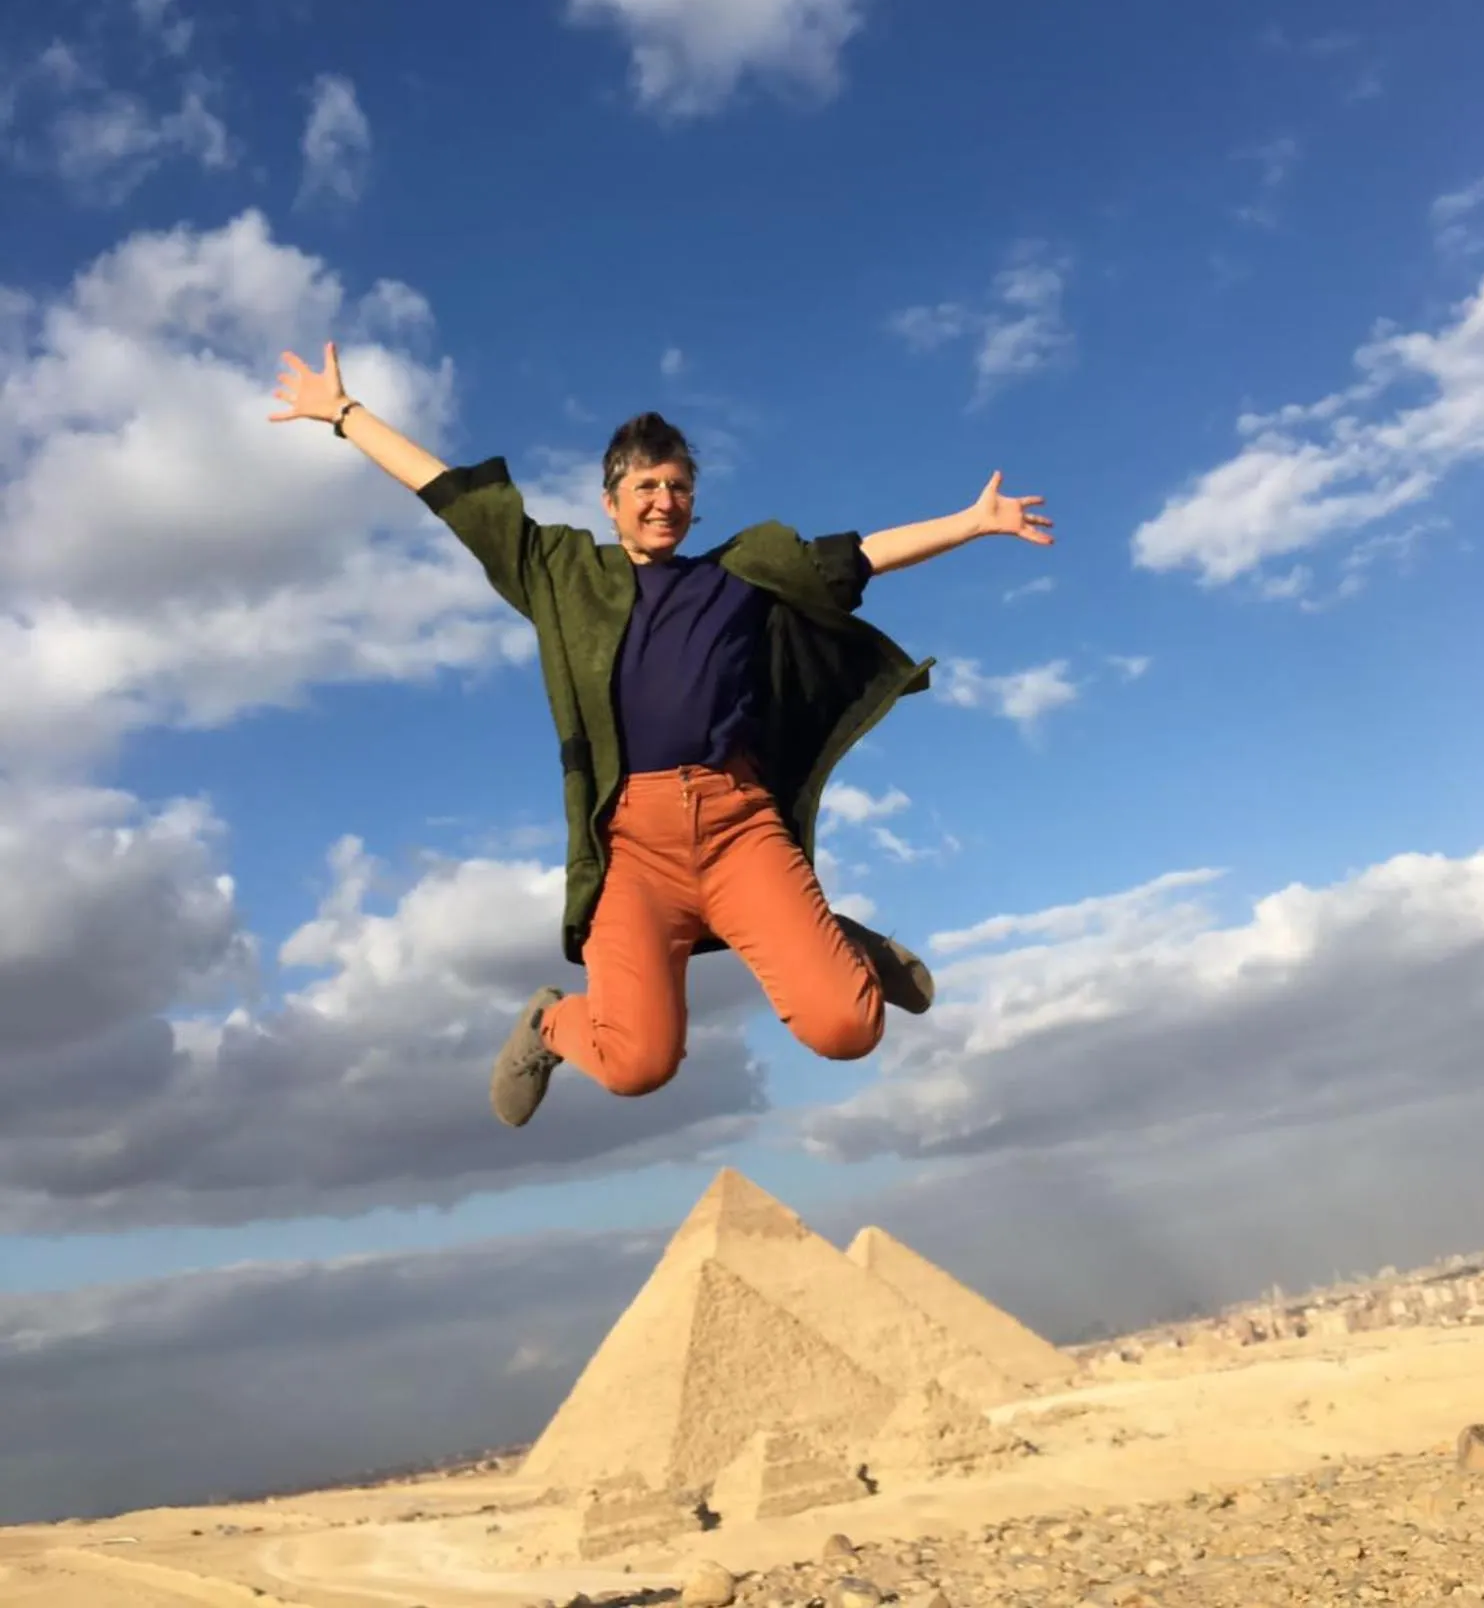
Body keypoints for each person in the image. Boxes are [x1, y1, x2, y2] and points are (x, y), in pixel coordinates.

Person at [271, 341, 1053, 1130]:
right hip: (633, 852)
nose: (664, 501)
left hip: (740, 828)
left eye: (679, 487)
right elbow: (450, 493)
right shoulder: (562, 574)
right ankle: (549, 1022)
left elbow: (857, 557)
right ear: (610, 501)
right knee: (637, 1064)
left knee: (848, 1028)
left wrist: (974, 522)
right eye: (646, 486)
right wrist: (343, 412)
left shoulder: (742, 574)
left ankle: (832, 941)